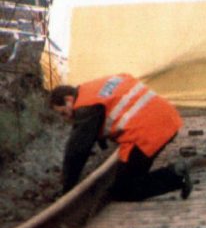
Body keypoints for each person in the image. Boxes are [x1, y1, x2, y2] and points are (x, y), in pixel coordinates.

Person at [50, 74, 192, 201]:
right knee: (133, 175)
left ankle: (176, 176)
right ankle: (175, 174)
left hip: (147, 134)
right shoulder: (93, 89)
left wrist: (67, 188)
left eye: (64, 113)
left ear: (69, 100)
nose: (66, 119)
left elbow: (77, 150)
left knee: (123, 190)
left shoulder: (86, 106)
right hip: (168, 119)